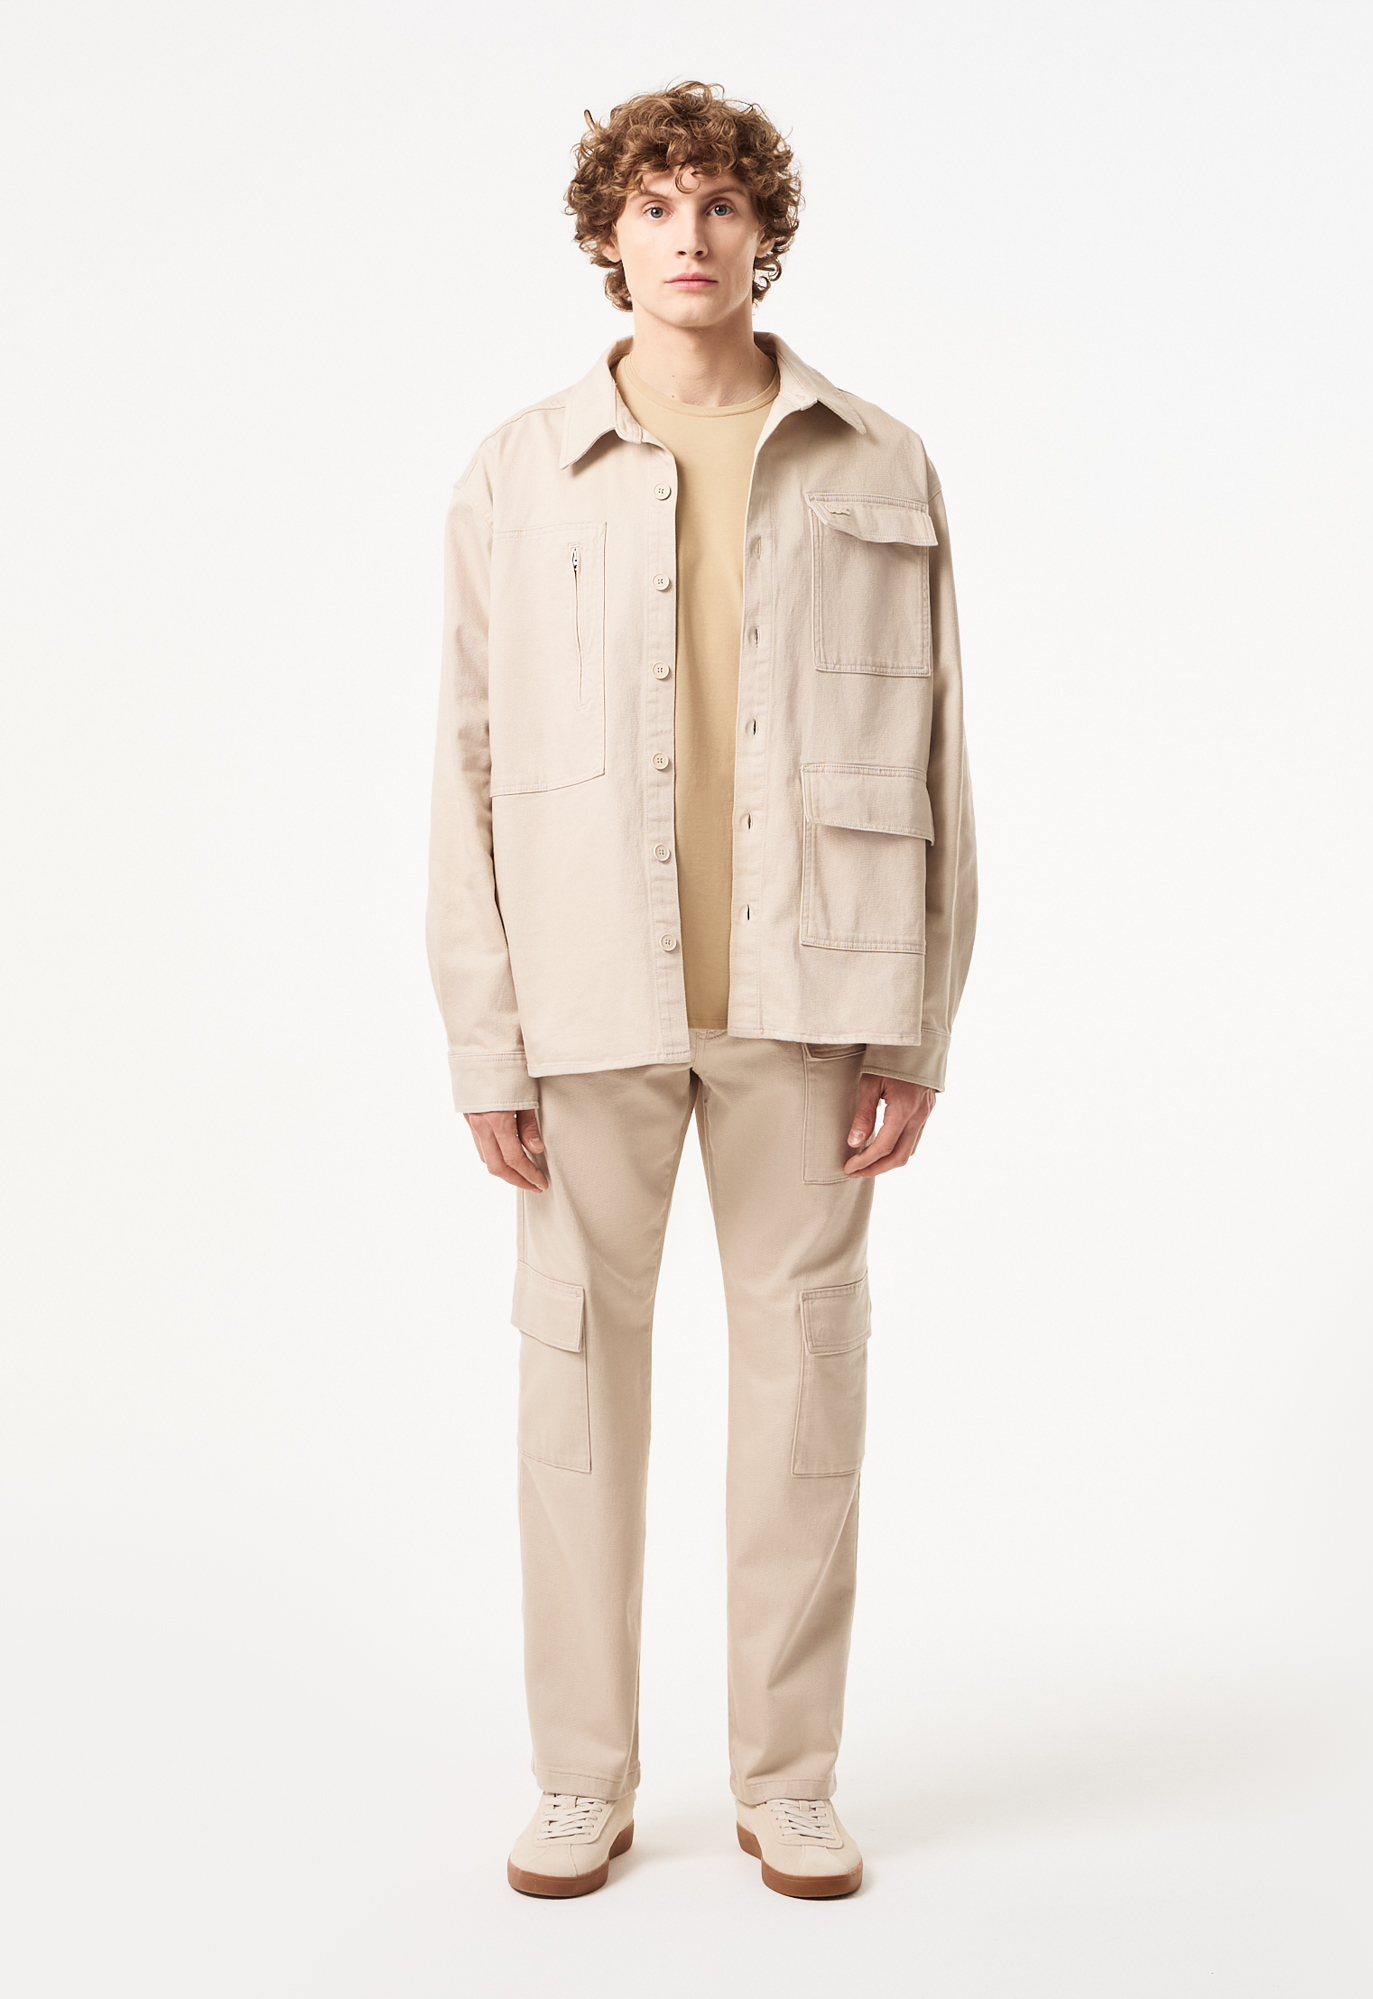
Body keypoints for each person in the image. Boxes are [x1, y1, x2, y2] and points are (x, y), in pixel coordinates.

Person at [425, 79, 977, 1900]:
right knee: (576, 1402)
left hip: (811, 996)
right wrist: (485, 1035)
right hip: (586, 995)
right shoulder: (519, 471)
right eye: (656, 204)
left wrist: (918, 1023)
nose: (690, 233)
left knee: (804, 1400)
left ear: (765, 233)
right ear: (609, 236)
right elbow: (467, 763)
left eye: (722, 203)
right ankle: (580, 1778)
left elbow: (940, 761)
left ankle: (788, 1778)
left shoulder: (878, 461)